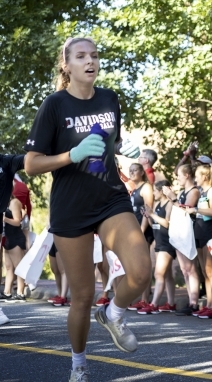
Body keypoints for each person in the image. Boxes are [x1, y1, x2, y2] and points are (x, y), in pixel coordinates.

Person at [24, 37, 150, 382]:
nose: (90, 61)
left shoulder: (110, 99)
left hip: (110, 198)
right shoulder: (54, 105)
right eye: (81, 56)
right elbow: (31, 164)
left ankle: (113, 313)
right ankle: (79, 365)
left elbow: (113, 144)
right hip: (71, 207)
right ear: (67, 65)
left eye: (94, 55)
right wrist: (72, 155)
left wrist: (126, 149)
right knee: (81, 296)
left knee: (141, 271)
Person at [163, 164, 201, 316]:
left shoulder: (194, 191)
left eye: (179, 175)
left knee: (191, 268)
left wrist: (173, 198)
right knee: (185, 270)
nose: (177, 177)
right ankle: (189, 299)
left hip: (188, 231)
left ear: (186, 175)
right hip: (178, 231)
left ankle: (194, 302)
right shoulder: (181, 191)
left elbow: (186, 208)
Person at [137, 180, 177, 314]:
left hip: (167, 243)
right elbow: (153, 222)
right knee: (167, 275)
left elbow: (166, 223)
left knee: (158, 273)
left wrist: (152, 214)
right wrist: (148, 216)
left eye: (155, 190)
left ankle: (153, 304)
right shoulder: (157, 204)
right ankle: (171, 303)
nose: (153, 193)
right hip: (159, 242)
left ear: (162, 191)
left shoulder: (169, 204)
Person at [189, 163, 212, 319]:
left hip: (210, 234)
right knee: (204, 272)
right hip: (200, 233)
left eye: (197, 175)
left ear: (205, 176)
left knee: (211, 271)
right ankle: (208, 304)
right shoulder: (202, 192)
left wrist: (195, 210)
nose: (195, 178)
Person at [127, 163, 154, 310]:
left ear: (142, 172)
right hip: (134, 230)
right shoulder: (135, 189)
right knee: (135, 264)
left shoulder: (146, 188)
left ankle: (145, 299)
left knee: (144, 264)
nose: (131, 172)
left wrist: (141, 231)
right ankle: (139, 297)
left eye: (135, 170)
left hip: (144, 231)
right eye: (130, 170)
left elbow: (147, 210)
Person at [2, 193, 27, 302]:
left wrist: (3, 219)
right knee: (8, 267)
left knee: (19, 267)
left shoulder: (14, 202)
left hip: (15, 238)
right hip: (7, 238)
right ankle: (7, 292)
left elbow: (17, 222)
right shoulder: (5, 203)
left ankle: (20, 293)